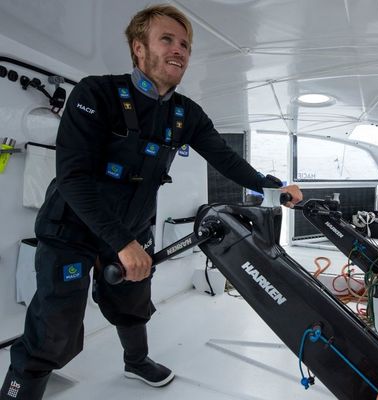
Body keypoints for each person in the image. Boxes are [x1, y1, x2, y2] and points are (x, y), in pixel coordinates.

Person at [0, 4, 302, 399]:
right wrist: (122, 245)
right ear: (138, 48)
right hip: (70, 226)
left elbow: (226, 160)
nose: (179, 50)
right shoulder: (96, 93)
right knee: (54, 325)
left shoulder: (185, 114)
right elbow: (73, 178)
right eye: (167, 40)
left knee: (132, 300)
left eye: (185, 45)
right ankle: (18, 389)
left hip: (132, 224)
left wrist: (273, 187)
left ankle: (136, 362)